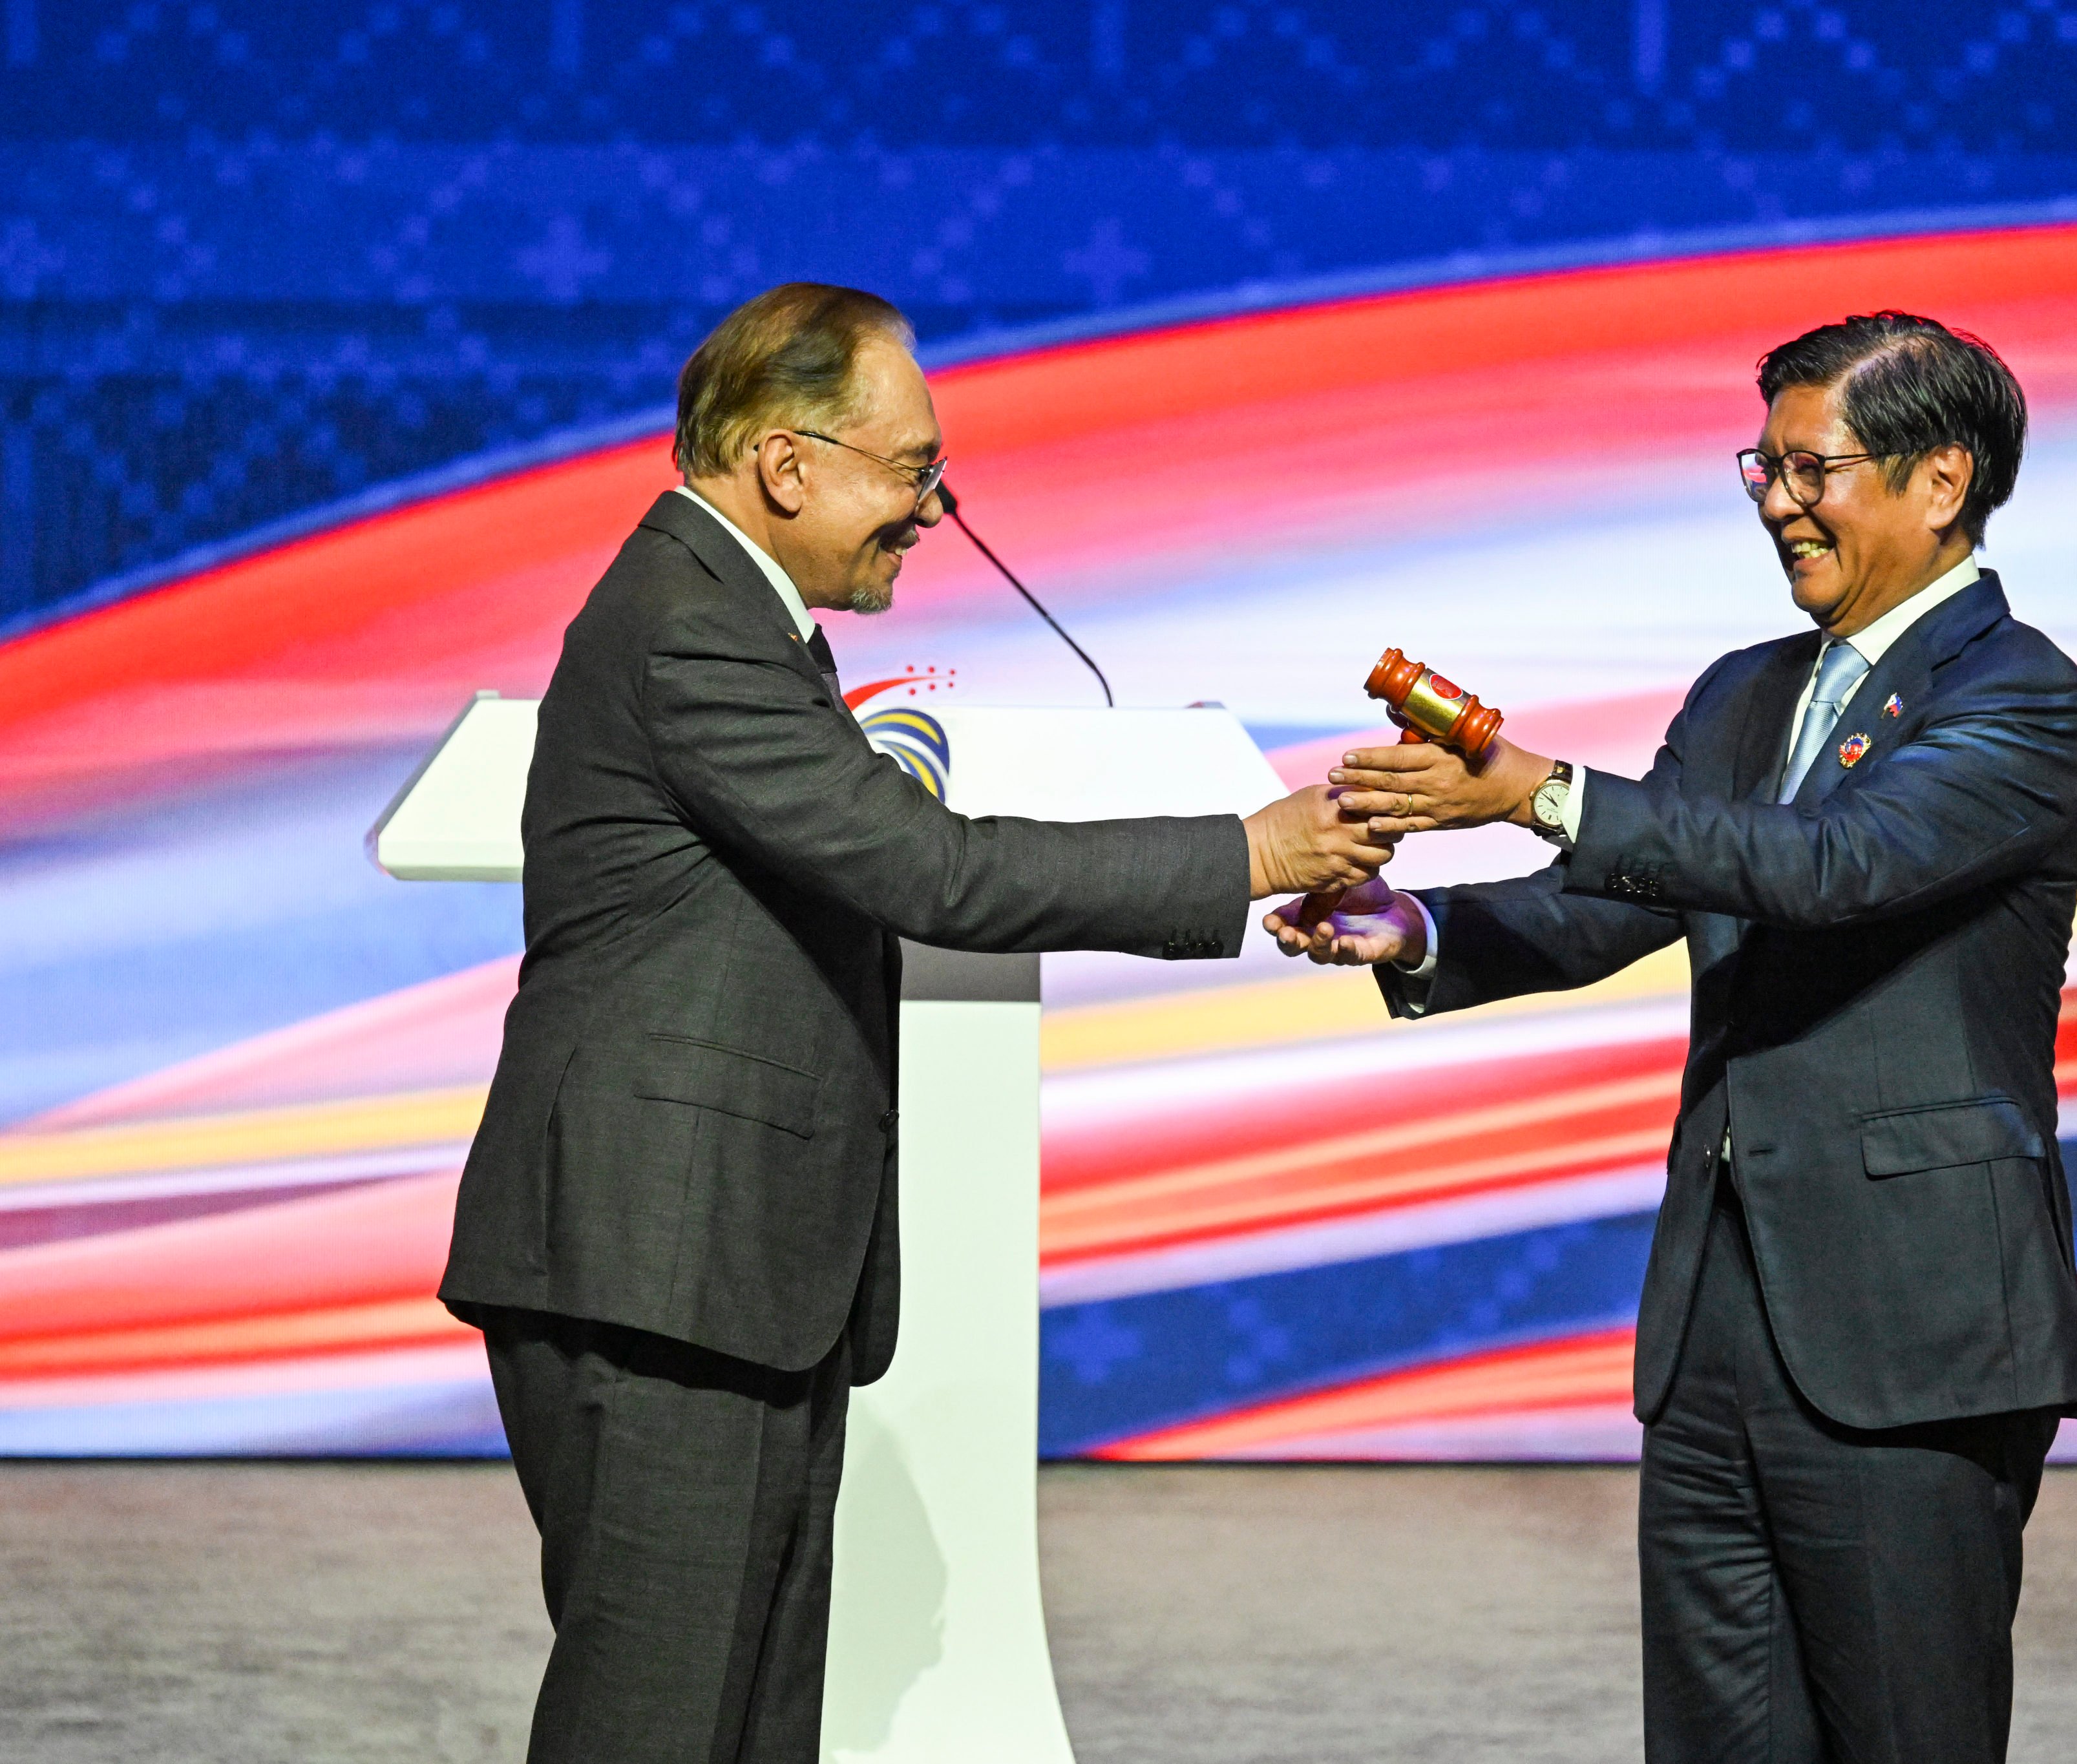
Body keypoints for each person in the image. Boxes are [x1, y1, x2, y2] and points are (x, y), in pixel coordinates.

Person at [441, 282, 1389, 1764]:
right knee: (660, 1720)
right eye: (912, 469)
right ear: (786, 464)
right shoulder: (690, 627)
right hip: (658, 1267)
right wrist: (1247, 853)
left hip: (720, 1271)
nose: (934, 509)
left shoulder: (734, 617)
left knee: (747, 1720)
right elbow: (926, 869)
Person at [1276, 311, 2077, 1763]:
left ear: (1941, 480)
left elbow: (1837, 866)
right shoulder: (1742, 690)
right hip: (1717, 1316)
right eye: (1761, 469)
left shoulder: (2020, 696)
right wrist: (1412, 931)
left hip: (1910, 1327)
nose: (1778, 503)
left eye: (1812, 469)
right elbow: (1620, 903)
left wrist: (1539, 790)